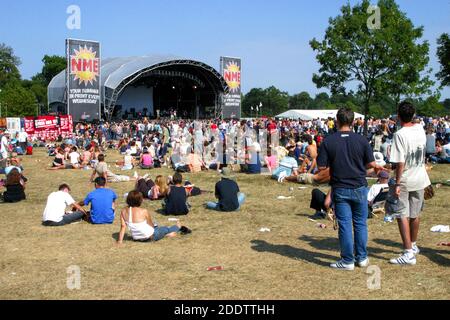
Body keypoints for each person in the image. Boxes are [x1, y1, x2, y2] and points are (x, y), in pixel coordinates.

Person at [317, 107, 384, 271]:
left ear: (337, 121)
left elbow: (321, 167)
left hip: (340, 187)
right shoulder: (361, 140)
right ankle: (361, 258)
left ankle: (347, 260)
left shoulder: (329, 141)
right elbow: (370, 164)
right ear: (353, 122)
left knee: (345, 224)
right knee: (360, 224)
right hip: (359, 186)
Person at [386, 101, 431, 266]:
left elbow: (400, 162)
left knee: (401, 214)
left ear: (398, 116)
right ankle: (413, 245)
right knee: (415, 213)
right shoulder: (420, 128)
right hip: (420, 176)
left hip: (406, 178)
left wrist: (397, 184)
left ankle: (408, 253)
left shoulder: (400, 134)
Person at [117, 191, 191, 244]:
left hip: (137, 238)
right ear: (140, 200)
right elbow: (151, 225)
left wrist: (120, 241)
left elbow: (123, 226)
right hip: (151, 237)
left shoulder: (123, 211)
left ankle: (165, 234)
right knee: (164, 229)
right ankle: (177, 227)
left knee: (157, 228)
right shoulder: (143, 211)